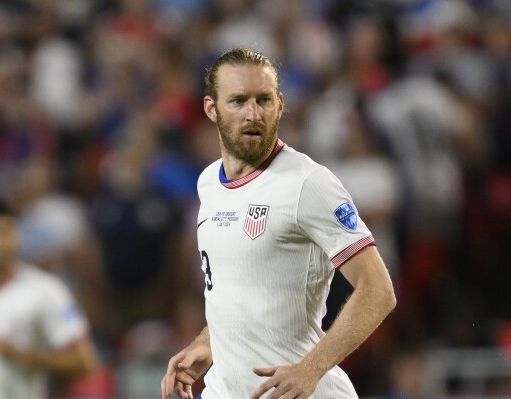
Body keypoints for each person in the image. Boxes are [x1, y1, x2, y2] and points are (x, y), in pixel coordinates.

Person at [161, 48, 396, 399]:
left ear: (280, 104)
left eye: (263, 100)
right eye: (238, 101)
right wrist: (206, 344)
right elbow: (238, 292)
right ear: (212, 109)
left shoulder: (308, 183)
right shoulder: (209, 183)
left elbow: (378, 290)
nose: (253, 114)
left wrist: (310, 369)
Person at [0, 198, 97, 399]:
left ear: (17, 237)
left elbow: (84, 362)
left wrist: (20, 356)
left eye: (4, 232)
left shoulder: (45, 291)